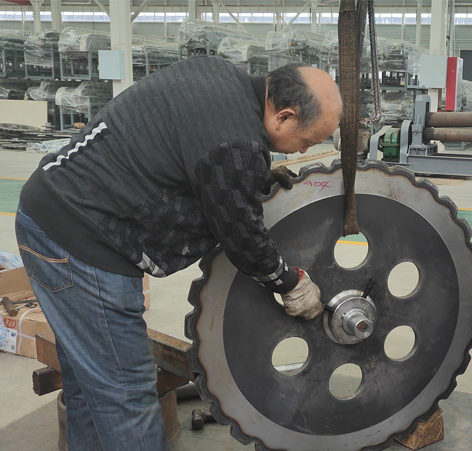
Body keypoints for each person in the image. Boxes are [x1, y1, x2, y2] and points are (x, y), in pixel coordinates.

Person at [15, 57, 343, 451]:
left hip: (47, 211)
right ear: (284, 117)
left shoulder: (220, 75)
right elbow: (243, 239)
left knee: (90, 386)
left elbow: (189, 146)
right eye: (307, 141)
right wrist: (289, 283)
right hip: (82, 243)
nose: (304, 150)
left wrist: (247, 179)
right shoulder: (234, 143)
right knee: (127, 395)